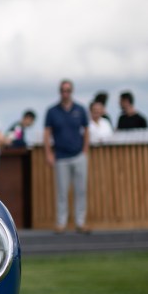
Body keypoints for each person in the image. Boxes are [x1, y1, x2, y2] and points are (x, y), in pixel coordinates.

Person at [44, 79, 90, 234]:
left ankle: (80, 222)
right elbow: (47, 133)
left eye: (68, 90)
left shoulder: (80, 109)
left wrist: (84, 150)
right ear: (60, 92)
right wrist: (49, 153)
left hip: (78, 155)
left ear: (72, 91)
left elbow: (86, 130)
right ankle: (61, 223)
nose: (66, 93)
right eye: (63, 90)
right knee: (62, 192)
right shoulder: (52, 111)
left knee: (81, 190)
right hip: (61, 157)